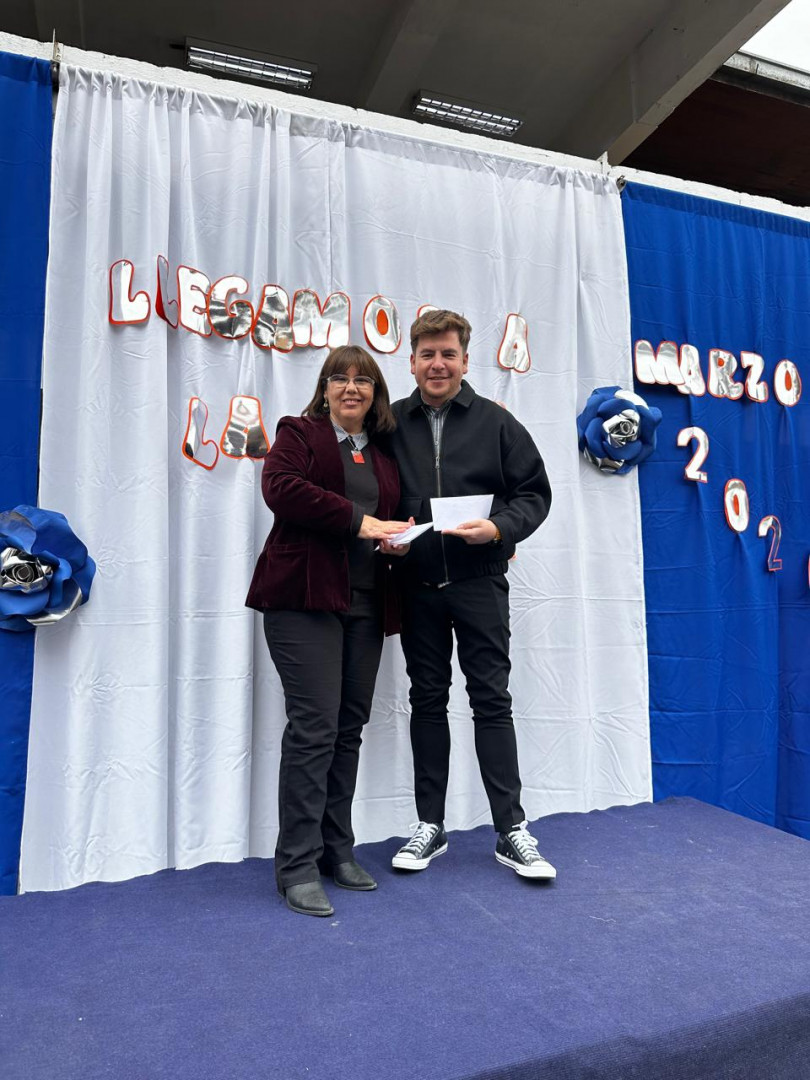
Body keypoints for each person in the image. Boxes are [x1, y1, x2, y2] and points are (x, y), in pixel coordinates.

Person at [388, 309, 556, 879]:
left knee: (491, 700)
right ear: (411, 362)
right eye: (427, 355)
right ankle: (429, 826)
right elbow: (374, 492)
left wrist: (500, 529)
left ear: (465, 360)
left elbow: (534, 493)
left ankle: (511, 829)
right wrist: (385, 535)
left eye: (448, 354)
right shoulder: (390, 423)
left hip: (480, 583)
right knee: (427, 700)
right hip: (417, 585)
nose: (437, 364)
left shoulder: (496, 423)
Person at [246, 345, 409, 917]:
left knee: (347, 731)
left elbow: (387, 521)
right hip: (303, 600)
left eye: (363, 380)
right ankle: (295, 865)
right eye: (339, 378)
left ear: (375, 393)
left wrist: (395, 538)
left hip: (365, 604)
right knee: (314, 729)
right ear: (324, 388)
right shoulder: (299, 433)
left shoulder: (383, 455)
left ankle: (336, 850)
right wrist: (358, 521)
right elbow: (281, 489)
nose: (351, 387)